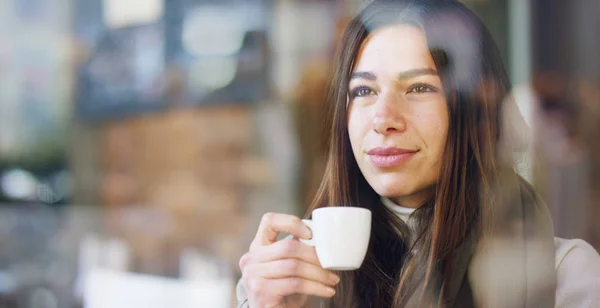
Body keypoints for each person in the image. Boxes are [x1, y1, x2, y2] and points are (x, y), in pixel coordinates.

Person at [237, 0, 600, 307]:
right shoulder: (285, 282)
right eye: (363, 91)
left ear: (474, 112)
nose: (383, 119)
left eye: (419, 87)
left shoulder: (567, 278)